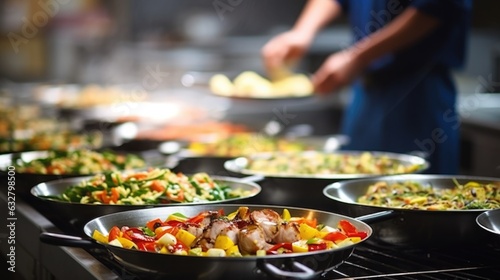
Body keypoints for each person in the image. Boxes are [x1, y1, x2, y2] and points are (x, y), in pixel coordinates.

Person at [261, 0, 473, 174]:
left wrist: (359, 56)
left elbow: (437, 7)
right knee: (354, 186)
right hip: (365, 94)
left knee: (422, 199)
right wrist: (302, 32)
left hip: (418, 92)